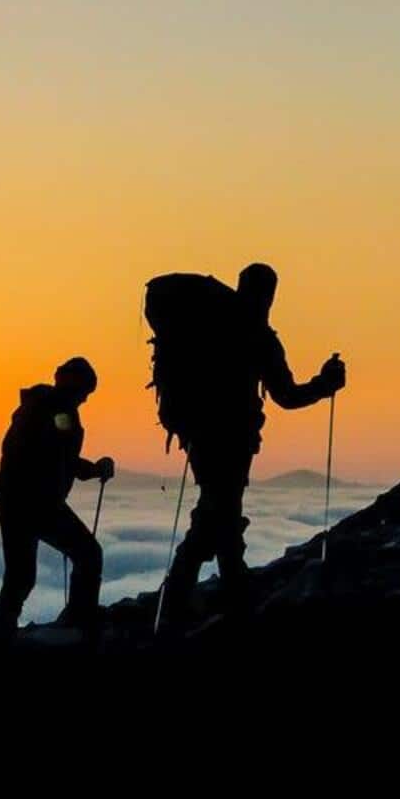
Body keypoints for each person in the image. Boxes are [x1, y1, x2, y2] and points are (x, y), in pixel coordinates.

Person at [160, 263, 346, 622]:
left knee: (219, 512)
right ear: (270, 294)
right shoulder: (259, 337)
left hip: (201, 439)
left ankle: (215, 592)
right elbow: (287, 395)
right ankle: (194, 598)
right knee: (218, 514)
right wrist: (325, 384)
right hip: (233, 441)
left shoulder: (207, 327)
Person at [0, 357, 116, 641]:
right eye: (84, 392)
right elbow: (58, 457)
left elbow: (58, 457)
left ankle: (2, 639)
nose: (83, 399)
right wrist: (94, 469)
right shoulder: (54, 411)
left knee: (20, 577)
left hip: (17, 501)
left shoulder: (41, 407)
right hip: (35, 503)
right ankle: (80, 619)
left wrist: (92, 469)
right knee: (87, 554)